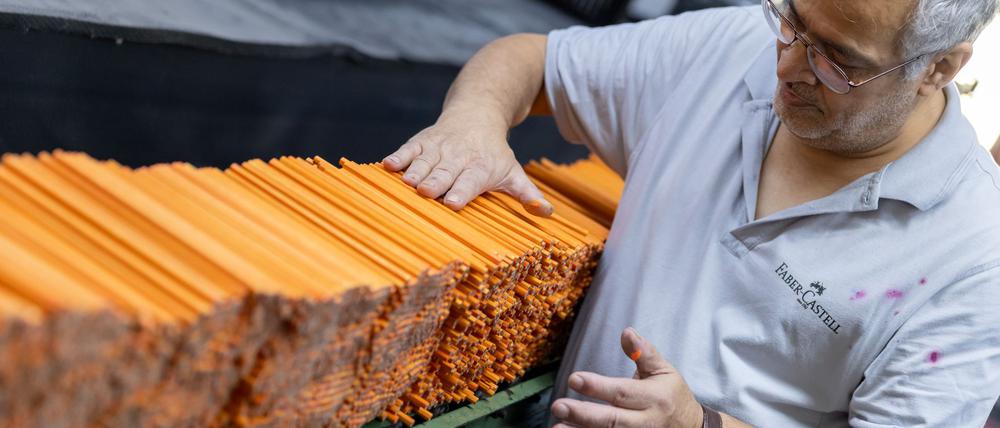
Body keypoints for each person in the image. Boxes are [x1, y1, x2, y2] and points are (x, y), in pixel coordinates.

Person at [382, 0, 1000, 426]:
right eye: (790, 19)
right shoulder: (732, 48)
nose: (787, 66)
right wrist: (473, 124)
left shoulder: (975, 258)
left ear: (940, 67)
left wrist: (699, 425)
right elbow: (532, 60)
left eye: (836, 62)